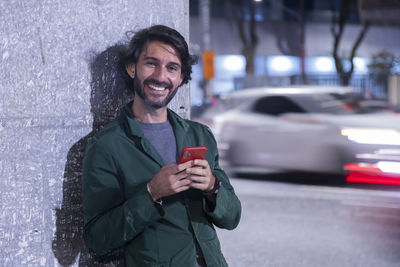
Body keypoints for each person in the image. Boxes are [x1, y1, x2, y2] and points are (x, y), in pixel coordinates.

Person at [82, 25, 241, 267]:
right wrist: (150, 194)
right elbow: (97, 239)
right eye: (150, 63)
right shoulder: (107, 145)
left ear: (180, 78)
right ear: (131, 67)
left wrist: (212, 187)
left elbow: (232, 217)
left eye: (172, 68)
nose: (160, 76)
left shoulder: (200, 135)